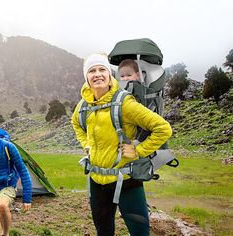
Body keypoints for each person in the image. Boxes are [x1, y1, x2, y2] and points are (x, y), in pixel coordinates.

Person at [71, 53, 172, 236]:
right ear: (86, 77)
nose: (97, 74)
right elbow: (76, 123)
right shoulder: (83, 105)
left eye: (102, 69)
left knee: (140, 232)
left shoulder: (124, 102)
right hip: (97, 181)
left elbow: (163, 128)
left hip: (126, 181)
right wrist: (86, 144)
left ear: (110, 75)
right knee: (103, 232)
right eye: (92, 70)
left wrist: (138, 150)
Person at [0, 128, 32, 236]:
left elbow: (23, 171)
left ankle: (5, 234)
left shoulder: (8, 147)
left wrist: (27, 198)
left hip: (7, 185)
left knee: (2, 205)